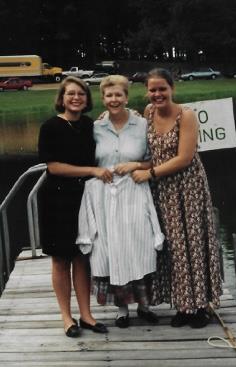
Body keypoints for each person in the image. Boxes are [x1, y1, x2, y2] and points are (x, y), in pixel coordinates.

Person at [131, 68, 222, 328]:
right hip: (162, 190)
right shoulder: (148, 113)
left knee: (193, 244)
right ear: (147, 91)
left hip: (187, 186)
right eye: (152, 89)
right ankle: (183, 306)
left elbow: (184, 158)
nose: (157, 94)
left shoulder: (187, 115)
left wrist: (149, 173)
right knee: (172, 247)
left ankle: (201, 306)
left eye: (162, 89)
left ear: (172, 89)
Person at [76, 75, 169, 328]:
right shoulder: (95, 128)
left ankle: (145, 305)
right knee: (112, 249)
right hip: (105, 198)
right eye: (109, 95)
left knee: (140, 246)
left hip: (135, 192)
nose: (114, 99)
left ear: (126, 97)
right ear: (103, 99)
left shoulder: (141, 125)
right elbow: (90, 162)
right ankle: (122, 309)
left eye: (118, 95)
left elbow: (154, 160)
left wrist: (135, 164)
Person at [38, 76, 111, 337]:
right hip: (57, 198)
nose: (76, 98)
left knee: (82, 257)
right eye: (70, 94)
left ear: (86, 99)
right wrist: (92, 169)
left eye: (81, 94)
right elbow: (53, 167)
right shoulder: (50, 127)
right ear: (62, 97)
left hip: (85, 198)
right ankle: (67, 318)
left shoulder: (91, 125)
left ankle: (87, 316)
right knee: (61, 259)